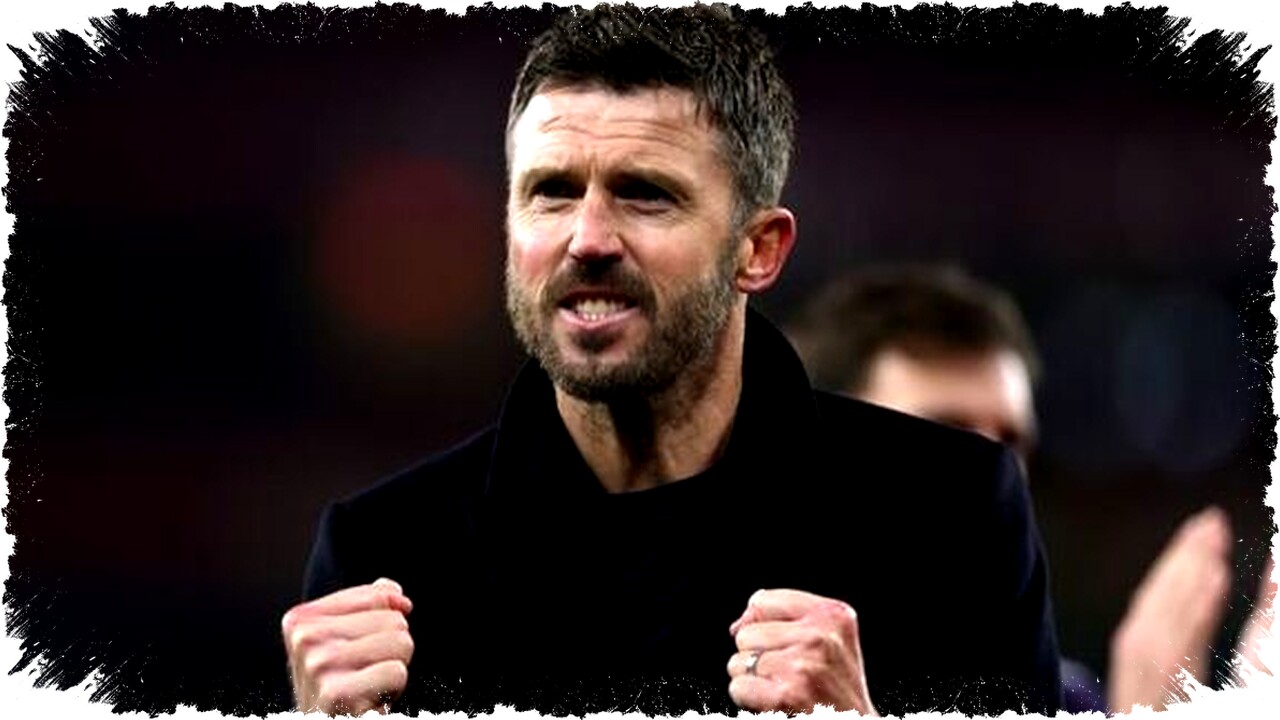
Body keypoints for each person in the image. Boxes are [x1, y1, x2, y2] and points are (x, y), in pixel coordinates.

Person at [280, 7, 1061, 716]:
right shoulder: (385, 560)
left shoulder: (950, 519)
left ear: (758, 250)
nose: (588, 239)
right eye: (552, 192)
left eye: (645, 194)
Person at [786, 263, 1274, 713]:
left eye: (1011, 444)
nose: (998, 477)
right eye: (948, 436)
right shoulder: (749, 672)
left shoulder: (1066, 702)